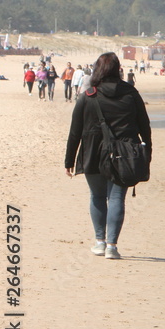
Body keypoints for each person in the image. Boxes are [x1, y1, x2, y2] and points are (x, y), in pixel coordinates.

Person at [64, 52, 151, 260]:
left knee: (97, 196)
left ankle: (100, 242)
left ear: (98, 70)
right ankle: (112, 246)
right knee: (116, 198)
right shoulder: (131, 94)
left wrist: (69, 160)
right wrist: (147, 152)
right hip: (125, 153)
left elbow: (75, 131)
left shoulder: (88, 96)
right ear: (117, 69)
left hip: (92, 151)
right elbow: (144, 125)